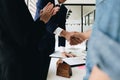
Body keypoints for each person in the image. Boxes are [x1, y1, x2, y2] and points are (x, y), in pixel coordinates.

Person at [0, 0, 57, 80]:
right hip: (17, 68)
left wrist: (41, 19)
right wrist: (42, 20)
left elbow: (24, 30)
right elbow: (26, 39)